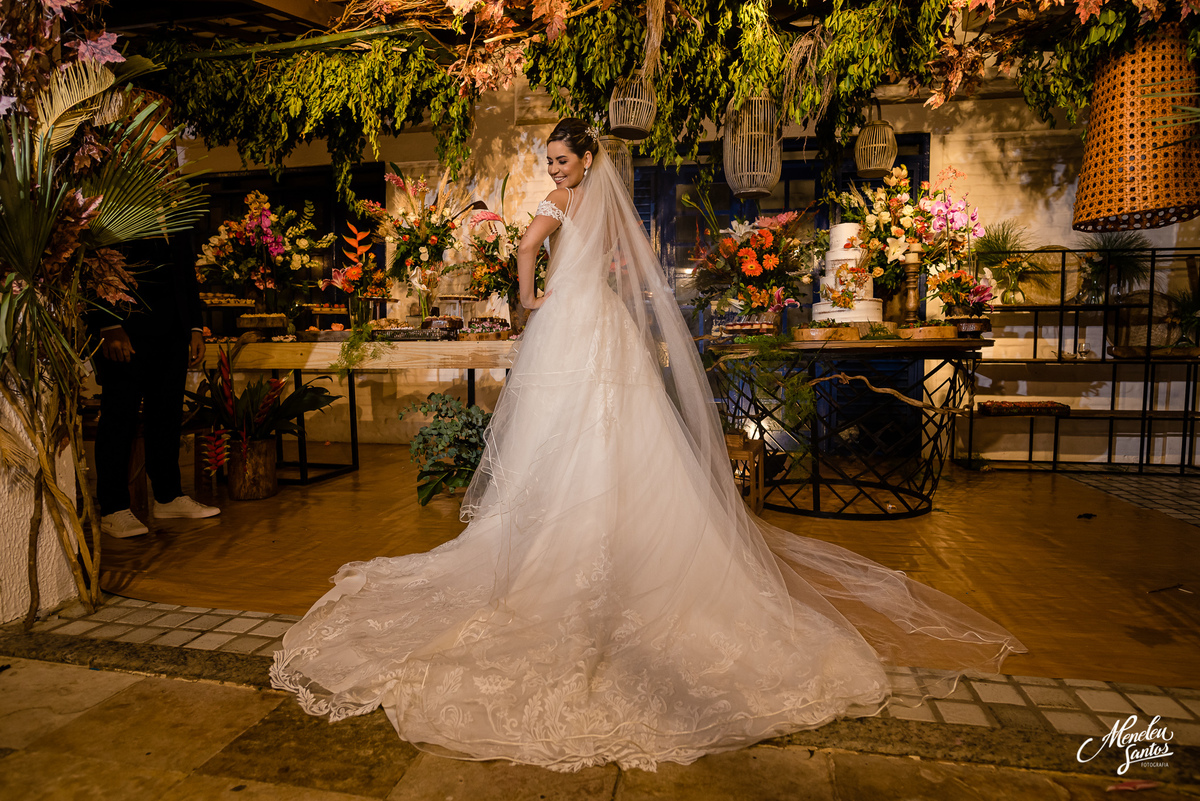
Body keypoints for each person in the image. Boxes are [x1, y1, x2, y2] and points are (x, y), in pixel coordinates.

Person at [271, 119, 1025, 772]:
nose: (552, 171)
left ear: (585, 160)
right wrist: (555, 292)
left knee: (582, 429)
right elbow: (618, 270)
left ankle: (587, 536)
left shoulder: (563, 205)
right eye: (549, 162)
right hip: (597, 320)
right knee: (605, 428)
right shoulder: (602, 202)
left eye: (560, 160)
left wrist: (532, 299)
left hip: (574, 319)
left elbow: (528, 250)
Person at [92, 234, 220, 538]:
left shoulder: (178, 215)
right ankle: (113, 508)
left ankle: (168, 496)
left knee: (166, 415)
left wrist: (194, 327)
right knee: (119, 416)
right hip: (126, 329)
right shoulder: (117, 204)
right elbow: (94, 267)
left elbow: (186, 275)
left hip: (173, 330)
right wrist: (107, 324)